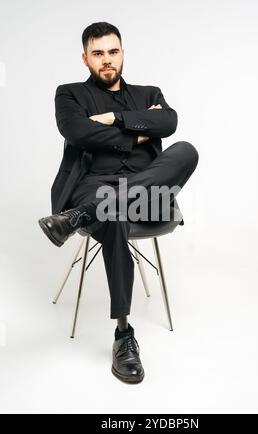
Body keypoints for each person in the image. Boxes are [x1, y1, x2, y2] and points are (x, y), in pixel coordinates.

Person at [38, 21, 199, 384]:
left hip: (147, 195)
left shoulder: (148, 92)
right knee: (110, 212)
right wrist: (140, 133)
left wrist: (115, 119)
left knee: (186, 151)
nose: (106, 60)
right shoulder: (70, 95)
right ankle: (124, 336)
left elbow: (169, 122)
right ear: (85, 58)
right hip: (92, 187)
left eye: (112, 51)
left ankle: (77, 218)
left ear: (122, 53)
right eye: (98, 53)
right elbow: (77, 131)